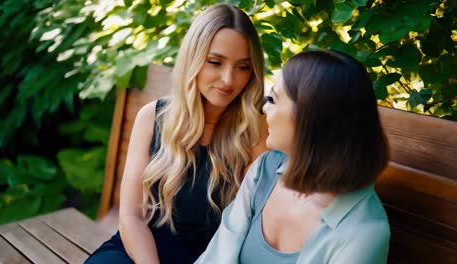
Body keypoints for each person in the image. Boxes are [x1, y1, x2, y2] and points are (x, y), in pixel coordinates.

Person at [85, 3, 267, 264]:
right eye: (215, 62)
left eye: (243, 67)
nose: (229, 79)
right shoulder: (153, 117)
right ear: (193, 59)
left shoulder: (255, 133)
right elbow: (131, 216)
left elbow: (245, 235)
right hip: (139, 251)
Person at [196, 50, 390, 264]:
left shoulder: (363, 232)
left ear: (311, 117)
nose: (265, 108)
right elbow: (216, 256)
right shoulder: (265, 170)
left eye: (273, 99)